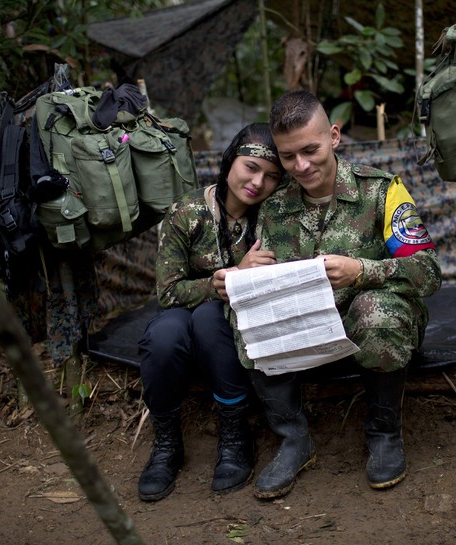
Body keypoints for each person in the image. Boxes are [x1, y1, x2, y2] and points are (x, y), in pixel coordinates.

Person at [215, 90, 442, 499]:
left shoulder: (381, 190)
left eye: (310, 150)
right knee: (243, 313)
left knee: (378, 311)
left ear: (334, 136)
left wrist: (361, 271)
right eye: (287, 157)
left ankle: (383, 432)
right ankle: (293, 439)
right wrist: (242, 277)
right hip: (309, 329)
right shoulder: (274, 206)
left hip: (367, 326)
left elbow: (428, 272)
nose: (300, 166)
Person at [137, 123, 284, 501]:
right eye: (250, 167)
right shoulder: (186, 212)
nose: (257, 182)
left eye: (270, 176)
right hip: (185, 310)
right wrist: (220, 283)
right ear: (230, 160)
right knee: (162, 337)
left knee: (209, 318)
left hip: (242, 319)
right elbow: (167, 292)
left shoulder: (275, 215)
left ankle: (236, 433)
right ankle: (167, 442)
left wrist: (238, 287)